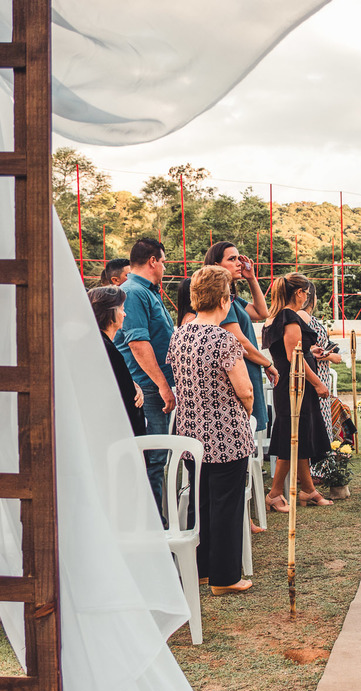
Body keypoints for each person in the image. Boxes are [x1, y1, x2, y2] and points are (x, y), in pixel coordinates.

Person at [166, 266, 255, 595]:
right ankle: (226, 576)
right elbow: (244, 390)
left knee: (201, 503)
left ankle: (202, 569)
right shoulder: (223, 339)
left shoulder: (180, 334)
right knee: (227, 506)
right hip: (225, 436)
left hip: (191, 436)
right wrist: (243, 414)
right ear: (223, 299)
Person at [114, 238, 176, 515]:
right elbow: (138, 344)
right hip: (147, 386)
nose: (164, 267)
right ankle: (155, 527)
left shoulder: (149, 292)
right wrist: (163, 385)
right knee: (154, 456)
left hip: (154, 384)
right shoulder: (134, 292)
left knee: (159, 455)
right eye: (163, 261)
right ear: (153, 261)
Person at [262, 274, 333, 511]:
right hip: (296, 386)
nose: (307, 298)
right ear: (299, 293)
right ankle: (274, 493)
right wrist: (317, 383)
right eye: (306, 293)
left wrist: (310, 349)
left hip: (288, 384)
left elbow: (287, 351)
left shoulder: (272, 318)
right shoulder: (289, 316)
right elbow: (295, 357)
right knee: (290, 438)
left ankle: (309, 490)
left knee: (298, 436)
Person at [206, 242, 279, 439]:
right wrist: (267, 363)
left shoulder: (233, 299)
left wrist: (252, 279)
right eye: (232, 259)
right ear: (216, 265)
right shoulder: (222, 301)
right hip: (237, 375)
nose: (239, 263)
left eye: (239, 258)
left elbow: (262, 312)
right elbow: (240, 341)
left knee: (248, 432)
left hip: (248, 371)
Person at [88, 286, 145, 436]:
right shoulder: (106, 349)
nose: (125, 314)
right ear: (111, 312)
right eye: (122, 308)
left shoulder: (96, 343)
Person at [302, 283, 344, 478]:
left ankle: (318, 469)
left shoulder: (309, 318)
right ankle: (316, 470)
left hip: (321, 374)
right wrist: (329, 355)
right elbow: (305, 350)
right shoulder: (304, 318)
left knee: (322, 421)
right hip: (315, 375)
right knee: (318, 422)